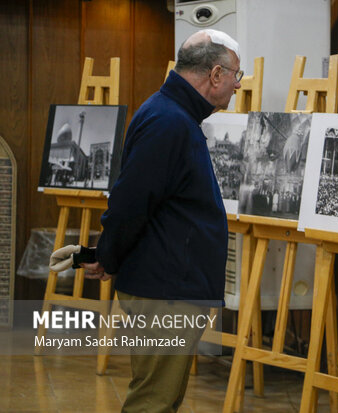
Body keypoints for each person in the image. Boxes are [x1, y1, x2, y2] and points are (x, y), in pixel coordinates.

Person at [80, 28, 242, 412]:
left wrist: (110, 253)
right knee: (153, 401)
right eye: (236, 75)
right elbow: (131, 200)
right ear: (215, 75)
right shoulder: (168, 120)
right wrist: (109, 253)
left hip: (168, 286)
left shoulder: (171, 112)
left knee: (160, 398)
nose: (238, 85)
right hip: (165, 291)